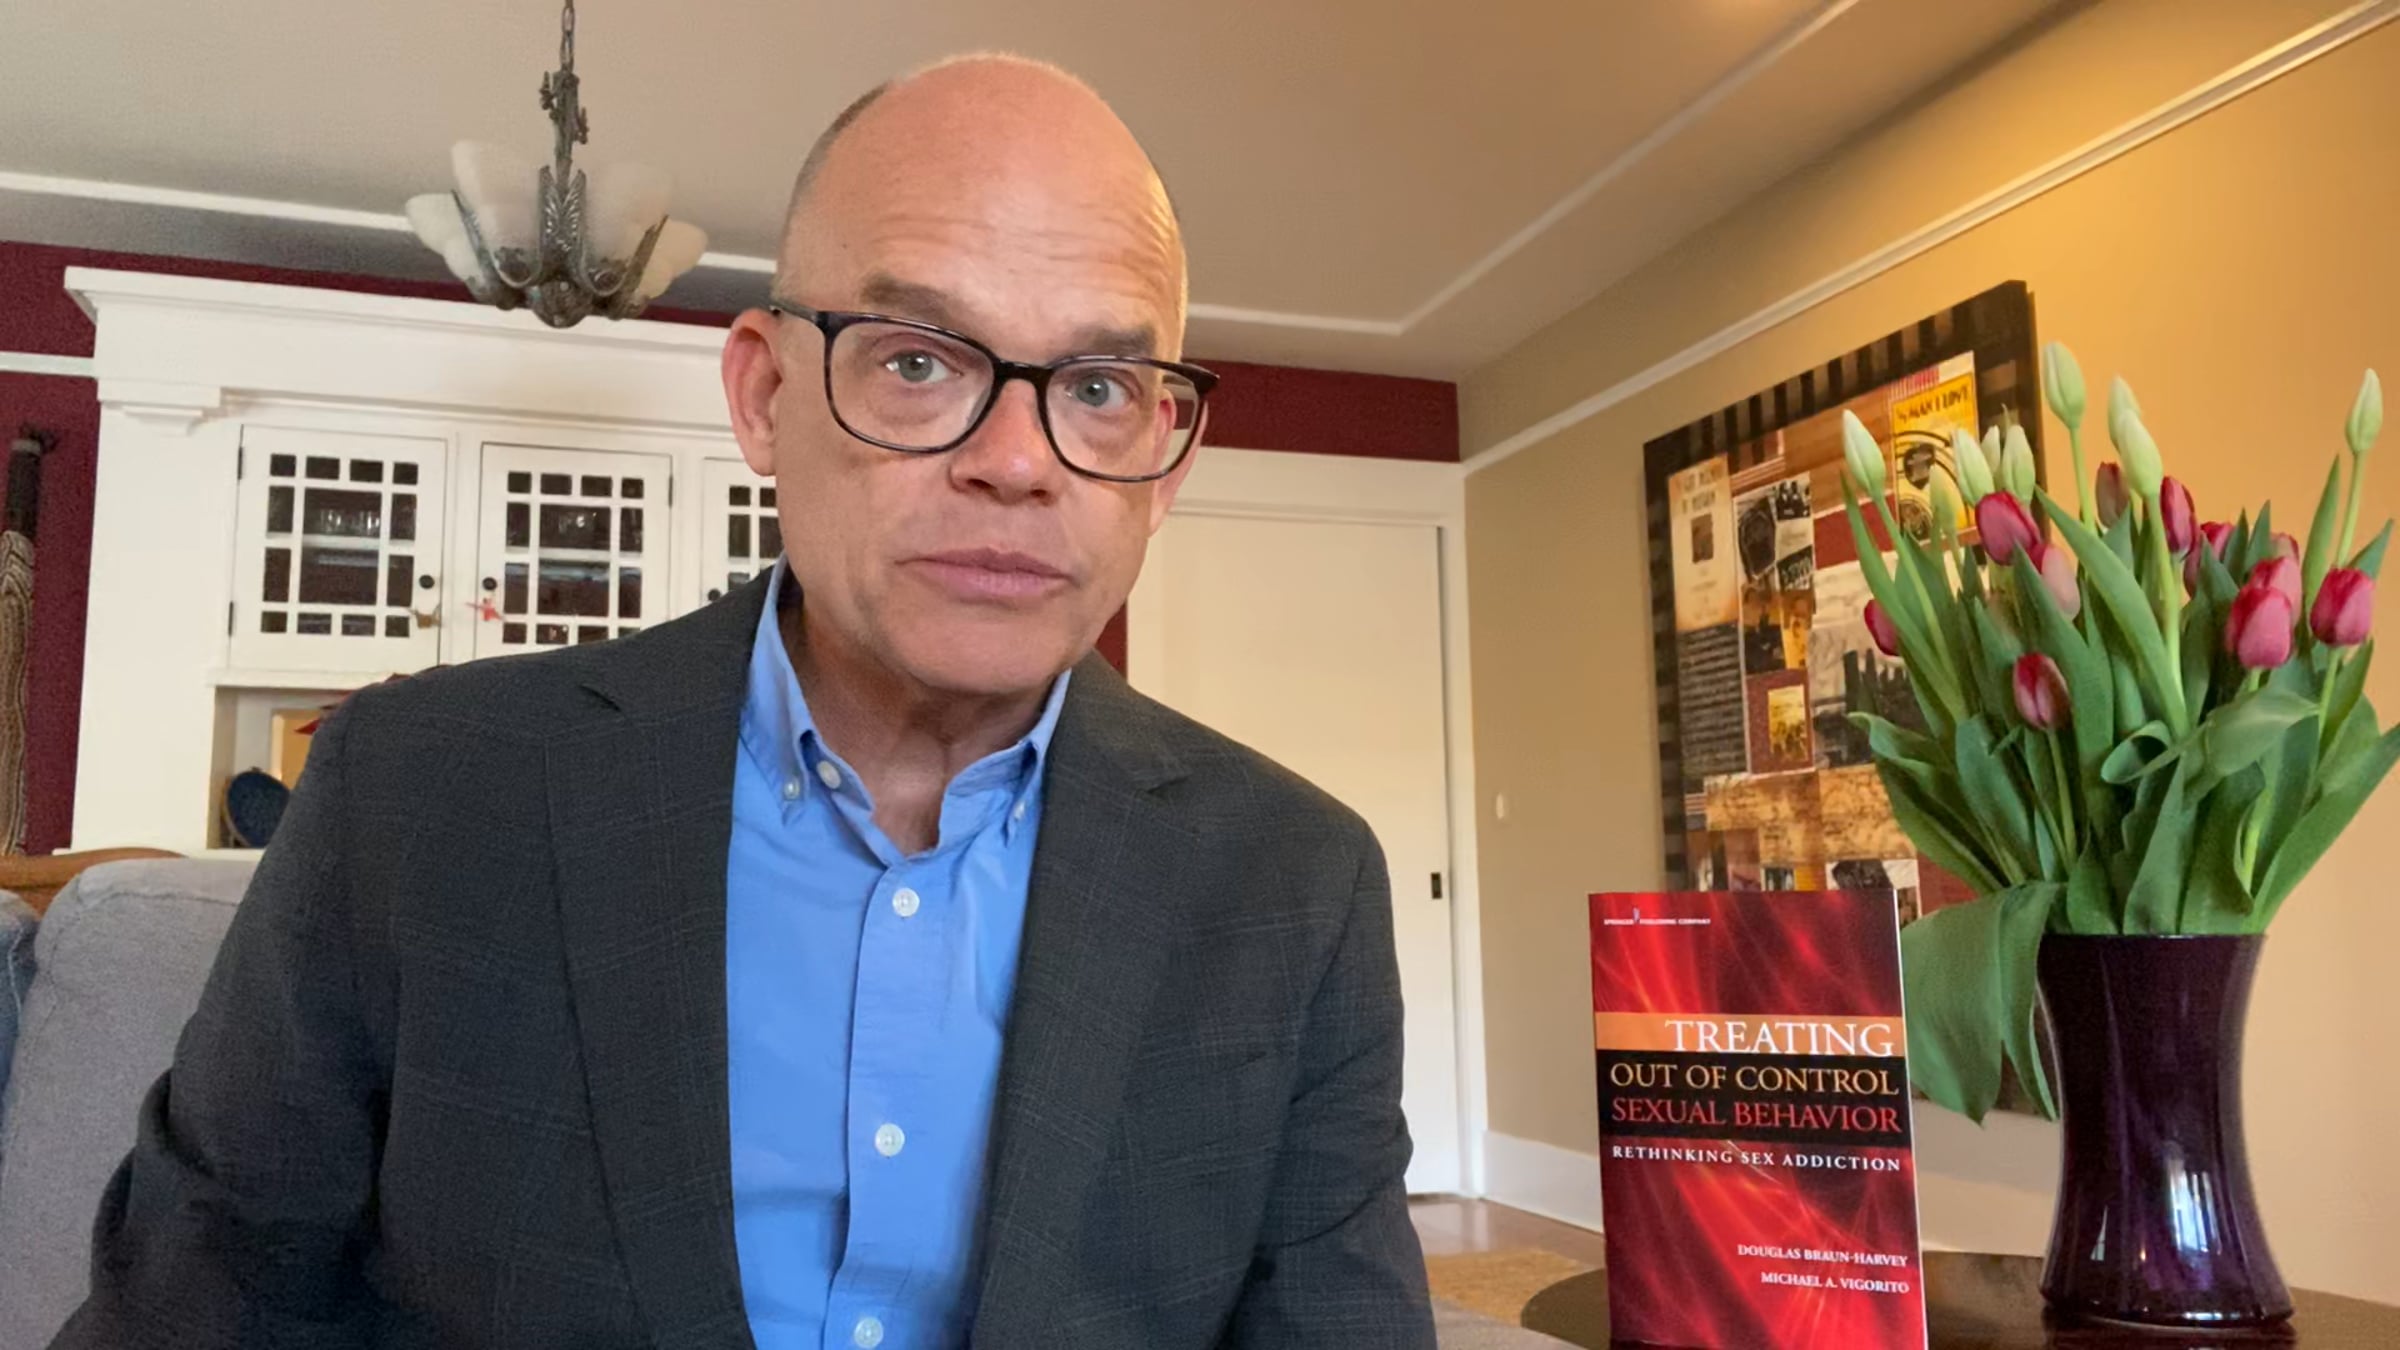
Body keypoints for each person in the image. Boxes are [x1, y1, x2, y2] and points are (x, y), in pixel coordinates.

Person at [52, 52, 1433, 1350]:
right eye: (918, 359)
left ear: (1165, 464)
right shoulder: (416, 792)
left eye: (1101, 386)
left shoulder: (1296, 884)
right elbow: (195, 1307)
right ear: (767, 396)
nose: (1019, 461)